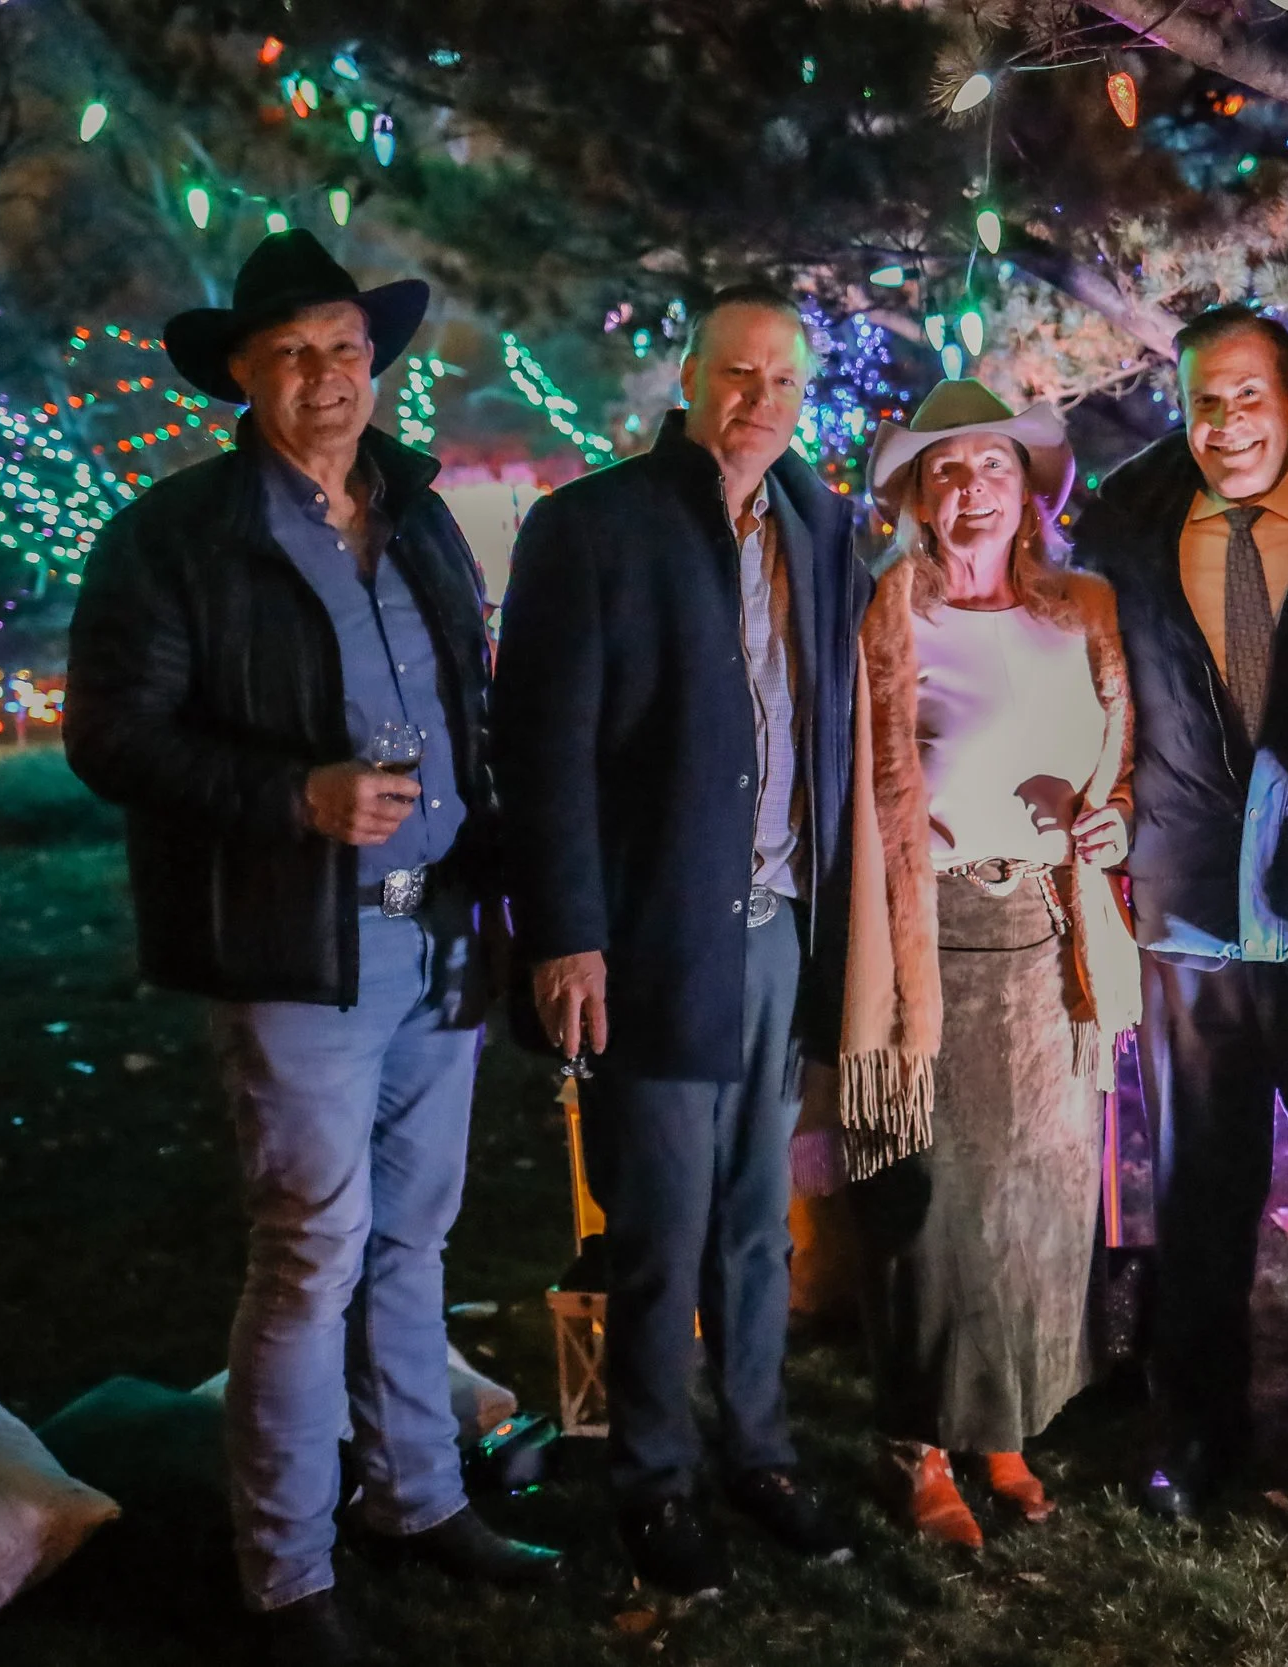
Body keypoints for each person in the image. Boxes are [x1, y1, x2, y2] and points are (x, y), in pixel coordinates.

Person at [66, 230, 558, 1667]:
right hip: (296, 945)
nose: (328, 377)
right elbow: (112, 735)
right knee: (309, 1254)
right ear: (239, 372)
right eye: (293, 353)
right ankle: (283, 1571)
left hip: (442, 937)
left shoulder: (417, 513)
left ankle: (416, 1497)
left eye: (347, 349)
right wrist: (297, 795)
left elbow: (476, 709)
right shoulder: (175, 536)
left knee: (414, 1240)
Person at [492, 284, 869, 1596]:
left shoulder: (825, 531)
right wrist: (568, 933)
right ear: (690, 375)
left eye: (780, 379)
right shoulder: (593, 526)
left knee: (762, 1218)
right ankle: (655, 1473)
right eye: (734, 373)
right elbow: (539, 751)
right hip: (650, 930)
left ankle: (758, 1449)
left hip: (780, 928)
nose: (756, 399)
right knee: (658, 1221)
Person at [1074, 307, 1288, 1520]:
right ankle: (1197, 1432)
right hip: (1192, 904)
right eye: (1202, 402)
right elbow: (1091, 681)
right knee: (1199, 1194)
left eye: (1245, 398)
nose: (1223, 426)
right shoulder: (1125, 525)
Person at [831, 381, 1142, 1548]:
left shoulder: (1085, 609)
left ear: (1028, 492)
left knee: (1035, 1200)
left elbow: (1120, 764)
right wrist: (912, 831)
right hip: (932, 940)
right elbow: (846, 773)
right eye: (947, 473)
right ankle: (916, 1443)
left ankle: (1000, 1424)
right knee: (930, 1203)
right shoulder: (887, 613)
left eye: (993, 470)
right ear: (918, 494)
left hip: (1052, 944)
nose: (971, 493)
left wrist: (1109, 817)